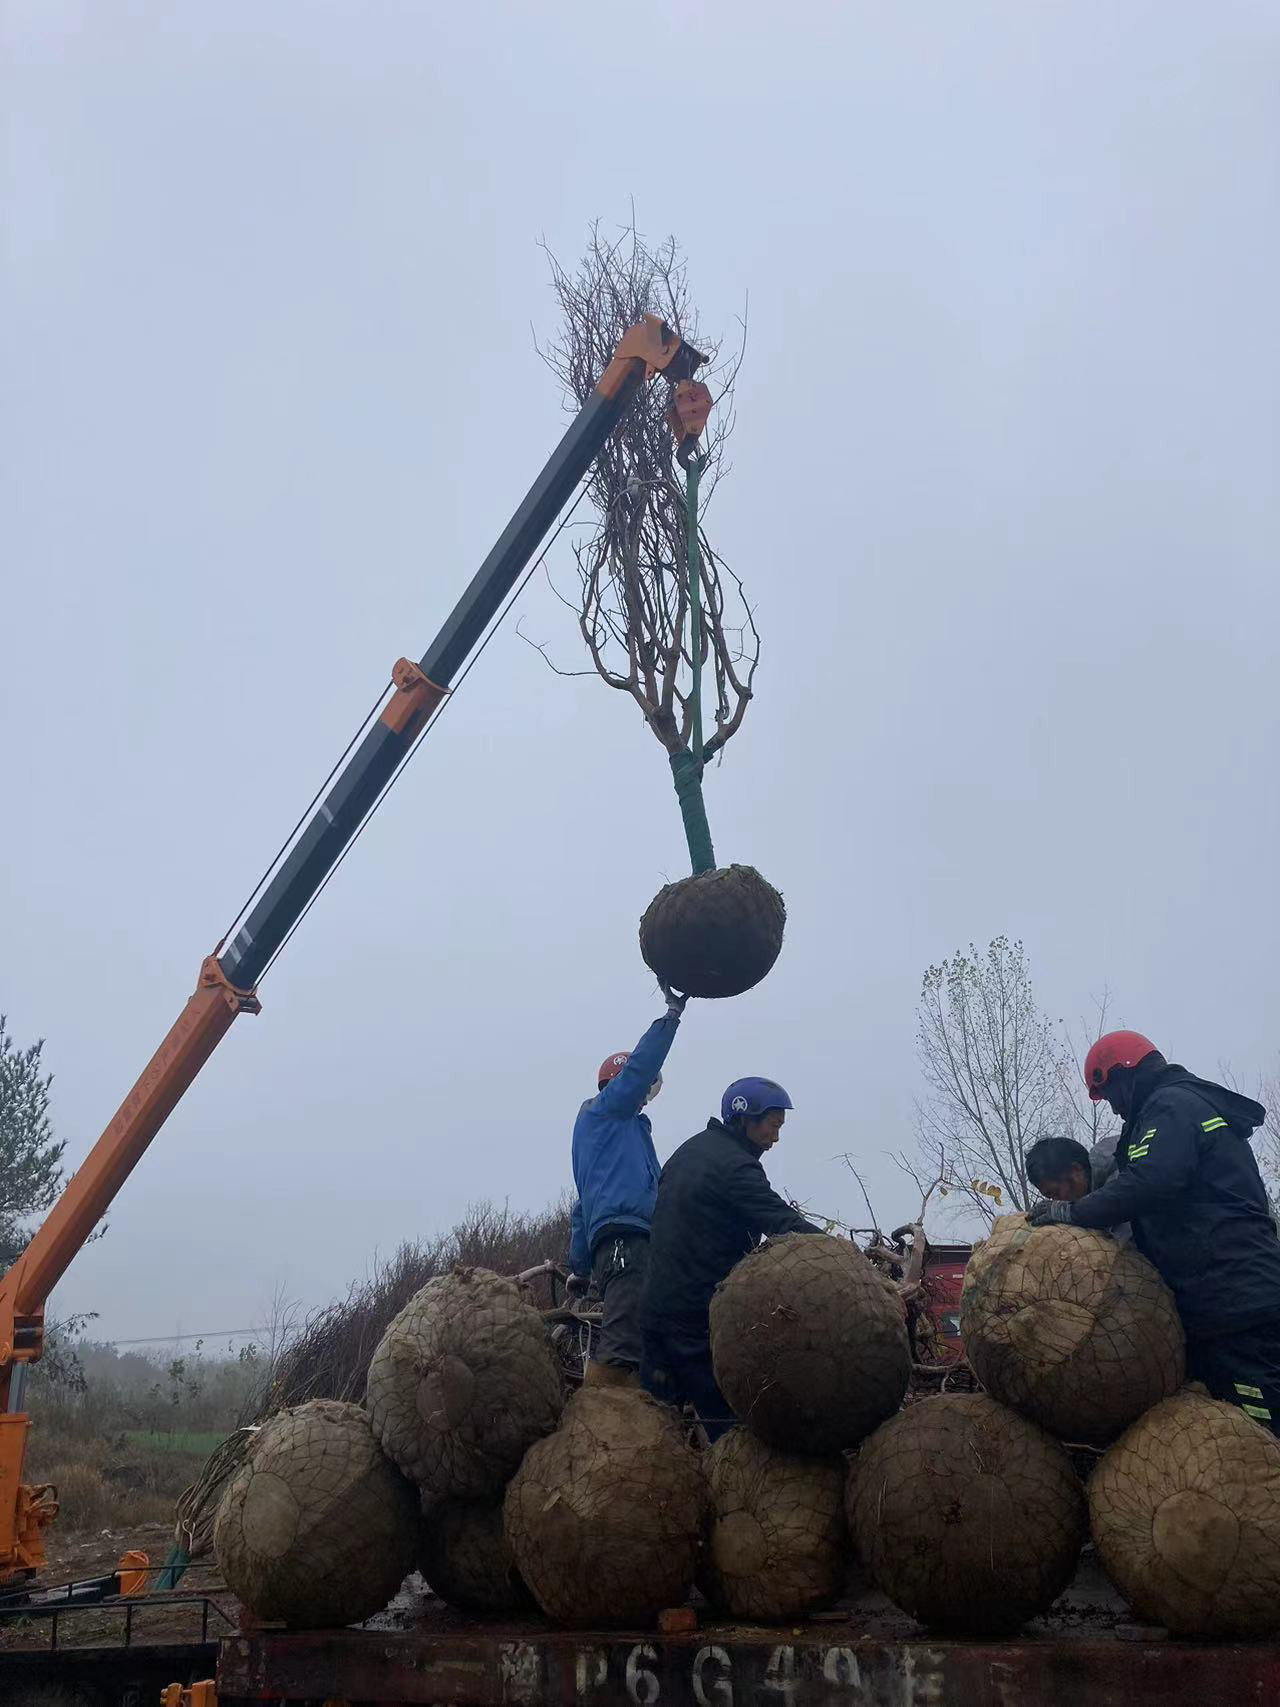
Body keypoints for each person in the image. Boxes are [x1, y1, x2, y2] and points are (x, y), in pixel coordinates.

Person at [1028, 1029, 1280, 1434]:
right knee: (1233, 1420)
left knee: (1260, 1425)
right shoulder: (1173, 1109)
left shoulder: (1171, 1106)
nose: (1114, 1110)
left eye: (1109, 1095)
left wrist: (1071, 1213)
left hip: (1235, 1298)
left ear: (1124, 1073)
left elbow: (1150, 1182)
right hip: (1222, 1301)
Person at [640, 1076, 820, 1440]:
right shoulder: (735, 1167)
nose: (776, 1138)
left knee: (656, 1429)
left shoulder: (688, 1152)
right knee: (730, 1428)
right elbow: (782, 1221)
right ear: (745, 1118)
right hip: (695, 1318)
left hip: (654, 1310)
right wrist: (839, 1253)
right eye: (773, 1126)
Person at [568, 988, 687, 1386]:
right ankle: (603, 1412)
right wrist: (671, 1017)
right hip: (626, 1242)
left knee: (649, 1337)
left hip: (628, 1242)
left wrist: (579, 1267)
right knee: (622, 1344)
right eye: (641, 1089)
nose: (645, 1099)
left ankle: (645, 1406)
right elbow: (639, 1068)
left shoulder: (614, 1136)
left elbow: (582, 1208)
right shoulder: (604, 1112)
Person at [1025, 1133, 1131, 1241]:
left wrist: (1068, 1212)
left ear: (1075, 1171)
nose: (1057, 1202)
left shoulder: (1120, 1161)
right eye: (1050, 1197)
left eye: (1056, 1192)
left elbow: (1121, 1203)